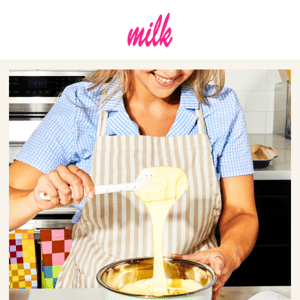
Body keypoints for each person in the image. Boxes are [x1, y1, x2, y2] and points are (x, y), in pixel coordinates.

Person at [9, 70, 259, 299]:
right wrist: (34, 199)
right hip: (96, 288)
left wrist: (229, 253)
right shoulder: (82, 104)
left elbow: (241, 212)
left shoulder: (220, 106)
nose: (171, 71)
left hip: (190, 288)